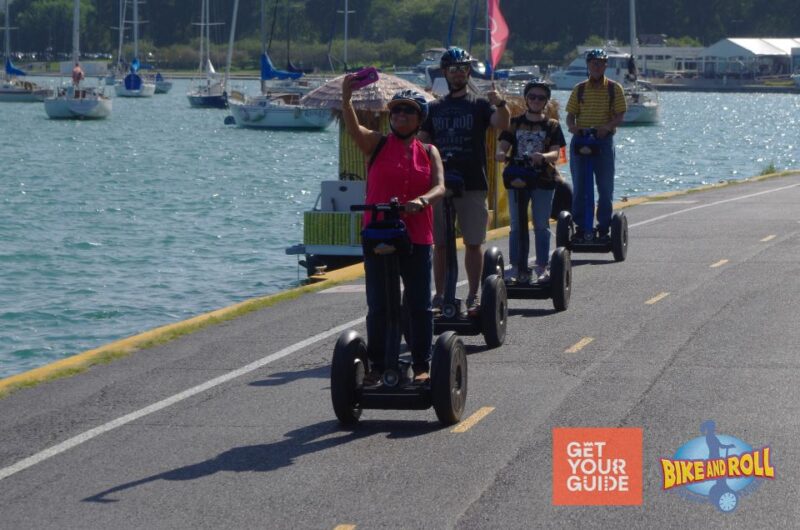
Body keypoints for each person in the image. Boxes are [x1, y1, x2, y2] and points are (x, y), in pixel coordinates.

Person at [341, 77, 445, 384]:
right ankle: (378, 365)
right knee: (379, 304)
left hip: (417, 236)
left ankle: (422, 364)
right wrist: (347, 99)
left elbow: (440, 186)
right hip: (378, 233)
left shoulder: (429, 151)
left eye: (408, 111)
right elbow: (353, 129)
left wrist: (422, 200)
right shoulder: (377, 144)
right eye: (396, 111)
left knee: (419, 304)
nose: (400, 115)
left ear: (419, 119)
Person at [419, 47, 510, 316]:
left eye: (462, 69)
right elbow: (422, 143)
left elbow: (502, 123)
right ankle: (439, 296)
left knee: (473, 242)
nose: (458, 73)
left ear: (468, 72)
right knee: (440, 245)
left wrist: (501, 103)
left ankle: (473, 295)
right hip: (440, 185)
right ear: (445, 72)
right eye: (453, 69)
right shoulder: (434, 108)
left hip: (472, 183)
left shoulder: (479, 104)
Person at [496, 81, 566, 283]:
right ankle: (516, 267)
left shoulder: (552, 125)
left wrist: (543, 156)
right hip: (518, 177)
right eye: (532, 96)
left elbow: (556, 153)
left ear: (546, 101)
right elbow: (503, 145)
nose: (536, 100)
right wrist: (500, 153)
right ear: (526, 99)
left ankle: (542, 266)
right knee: (516, 225)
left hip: (543, 179)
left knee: (541, 224)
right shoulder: (515, 122)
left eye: (541, 97)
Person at [565, 48, 626, 240]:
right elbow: (570, 115)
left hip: (603, 141)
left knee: (605, 188)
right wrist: (572, 127)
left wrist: (607, 127)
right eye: (593, 63)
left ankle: (604, 227)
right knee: (580, 186)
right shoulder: (580, 88)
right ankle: (581, 227)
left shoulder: (614, 88)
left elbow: (620, 115)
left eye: (600, 63)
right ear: (588, 65)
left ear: (606, 65)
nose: (597, 66)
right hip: (581, 139)